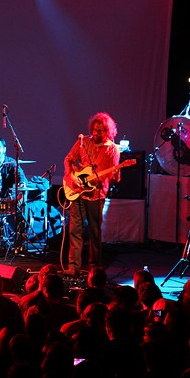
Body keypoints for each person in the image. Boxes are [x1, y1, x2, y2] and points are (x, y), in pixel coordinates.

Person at [63, 112, 121, 275]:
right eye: (94, 130)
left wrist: (114, 174)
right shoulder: (83, 142)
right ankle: (73, 266)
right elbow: (68, 159)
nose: (96, 133)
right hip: (78, 192)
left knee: (94, 232)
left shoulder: (113, 149)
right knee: (75, 230)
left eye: (100, 131)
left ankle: (94, 267)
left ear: (107, 131)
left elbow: (114, 178)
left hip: (96, 194)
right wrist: (71, 176)